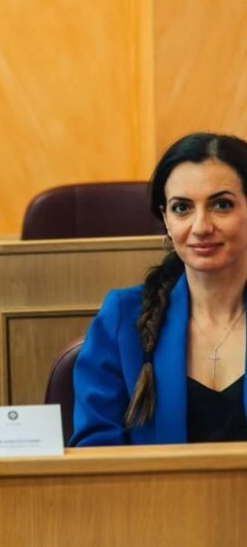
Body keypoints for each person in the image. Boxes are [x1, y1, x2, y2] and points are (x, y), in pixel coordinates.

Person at [72, 133, 247, 446]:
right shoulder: (123, 318)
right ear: (166, 219)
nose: (201, 227)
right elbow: (95, 454)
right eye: (182, 208)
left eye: (222, 205)